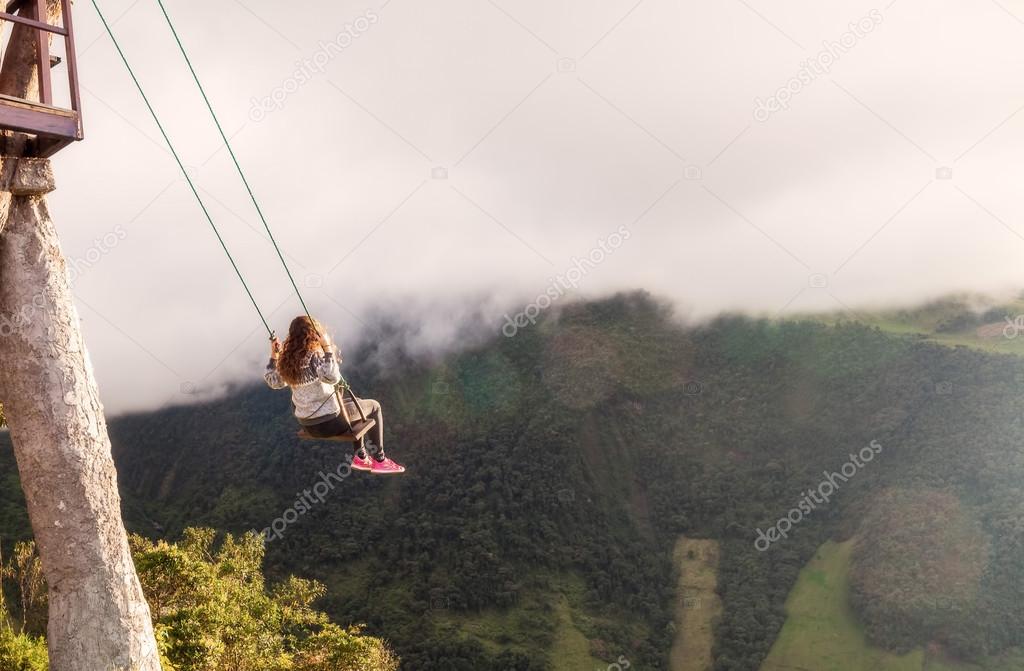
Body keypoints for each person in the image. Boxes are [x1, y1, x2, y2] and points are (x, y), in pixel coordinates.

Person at [264, 315, 404, 474]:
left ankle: (361, 456)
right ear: (313, 334)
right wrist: (327, 348)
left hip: (308, 425)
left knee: (356, 402)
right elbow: (332, 377)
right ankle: (380, 460)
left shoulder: (287, 360)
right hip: (331, 423)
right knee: (374, 406)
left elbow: (273, 381)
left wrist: (274, 355)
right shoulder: (313, 355)